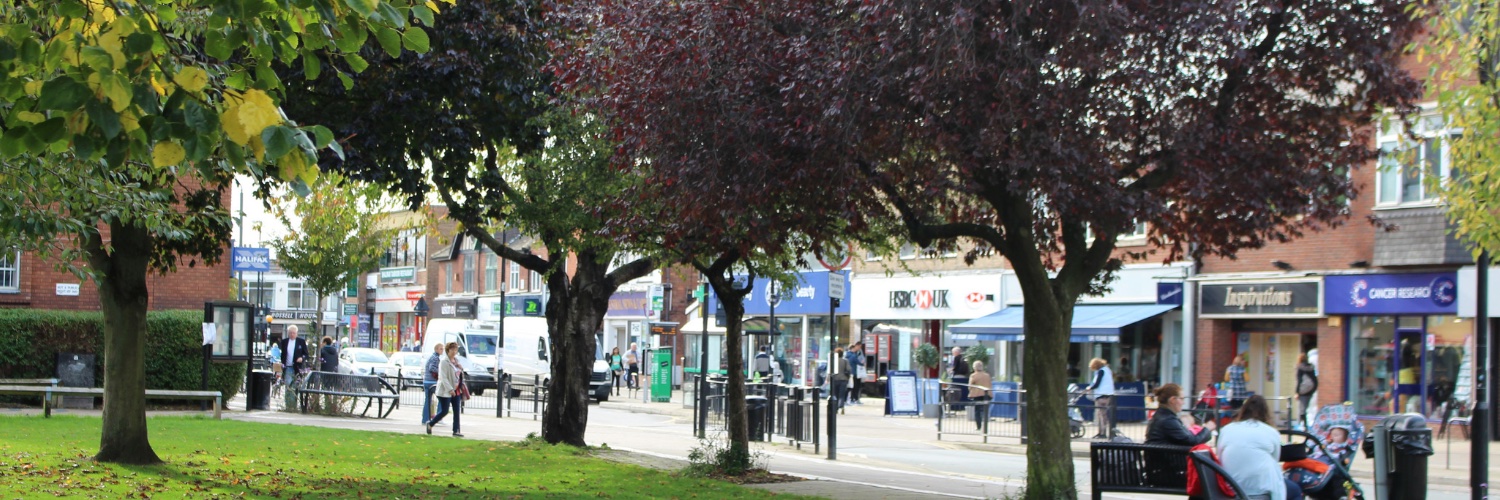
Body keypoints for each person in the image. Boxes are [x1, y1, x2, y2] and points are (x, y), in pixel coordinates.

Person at [1218, 395, 1301, 500]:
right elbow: (1275, 459)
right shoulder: (1271, 432)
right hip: (1260, 489)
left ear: (1243, 411)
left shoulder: (1226, 430)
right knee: (1295, 490)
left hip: (1231, 487)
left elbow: (1220, 458)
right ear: (1266, 412)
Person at [1144, 383, 1216, 489]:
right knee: (1209, 482)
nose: (1183, 402)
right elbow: (1193, 441)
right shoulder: (1168, 420)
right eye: (1181, 399)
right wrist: (1207, 429)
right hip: (1169, 475)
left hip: (1160, 471)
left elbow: (1189, 439)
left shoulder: (1161, 416)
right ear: (1173, 400)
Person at [427, 342, 464, 437]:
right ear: (448, 350)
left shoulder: (456, 361)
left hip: (456, 389)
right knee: (445, 410)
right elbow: (443, 377)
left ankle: (456, 430)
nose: (454, 352)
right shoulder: (444, 361)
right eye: (452, 349)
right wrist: (450, 389)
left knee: (456, 410)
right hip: (445, 390)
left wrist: (461, 368)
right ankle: (431, 424)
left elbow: (457, 374)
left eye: (456, 349)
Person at [1087, 357, 1116, 439]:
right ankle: (1104, 431)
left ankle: (1102, 432)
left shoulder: (1101, 371)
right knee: (1104, 414)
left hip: (1101, 394)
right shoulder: (1107, 370)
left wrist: (1090, 388)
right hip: (1108, 394)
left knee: (1101, 414)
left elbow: (1097, 383)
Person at [421, 343, 443, 425]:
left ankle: (425, 419)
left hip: (427, 381)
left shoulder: (432, 357)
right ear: (436, 349)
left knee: (428, 400)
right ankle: (438, 417)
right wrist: (440, 372)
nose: (442, 350)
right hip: (432, 382)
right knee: (442, 399)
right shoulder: (435, 358)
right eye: (441, 349)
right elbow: (432, 368)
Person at [1295, 353, 1317, 427]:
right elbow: (1315, 379)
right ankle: (1306, 424)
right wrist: (1313, 389)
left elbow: (1299, 380)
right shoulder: (1311, 367)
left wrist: (1297, 392)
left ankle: (1304, 425)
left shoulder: (1299, 367)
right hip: (1310, 390)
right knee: (1307, 407)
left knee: (1302, 409)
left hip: (1303, 390)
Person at [968, 360, 992, 430]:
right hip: (987, 394)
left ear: (974, 367)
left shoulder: (973, 375)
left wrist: (970, 391)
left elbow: (970, 386)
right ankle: (985, 427)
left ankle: (979, 426)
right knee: (985, 410)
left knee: (977, 411)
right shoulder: (987, 375)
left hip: (977, 395)